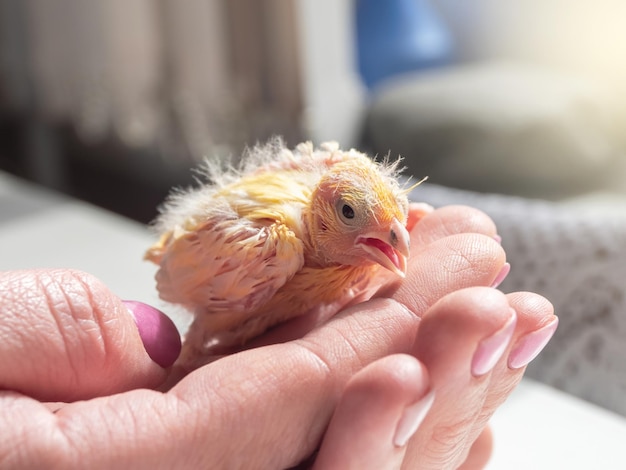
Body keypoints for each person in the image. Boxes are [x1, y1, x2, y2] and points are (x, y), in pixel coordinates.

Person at [0, 205, 556, 469]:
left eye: (391, 225)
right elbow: (174, 278)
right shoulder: (271, 244)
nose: (390, 238)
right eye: (346, 214)